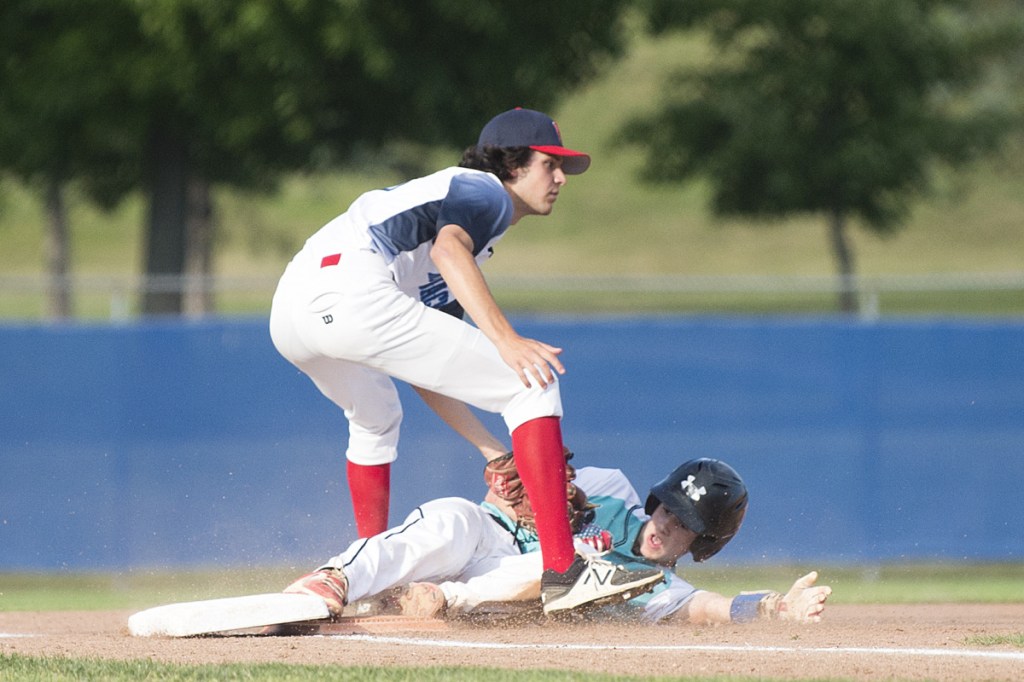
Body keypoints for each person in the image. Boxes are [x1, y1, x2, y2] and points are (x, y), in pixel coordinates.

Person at [269, 107, 662, 613]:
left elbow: (426, 364)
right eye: (550, 163)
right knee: (531, 382)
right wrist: (506, 340)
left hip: (292, 312)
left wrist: (494, 452)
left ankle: (371, 582)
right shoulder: (484, 191)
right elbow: (448, 251)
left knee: (376, 420)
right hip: (353, 289)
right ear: (513, 163)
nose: (561, 178)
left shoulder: (466, 222)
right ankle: (565, 572)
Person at [279, 458, 832, 625]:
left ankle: (429, 599)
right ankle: (338, 579)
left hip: (484, 599)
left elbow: (711, 607)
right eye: (667, 507)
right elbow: (512, 492)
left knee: (570, 560)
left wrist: (775, 607)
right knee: (453, 515)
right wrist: (514, 478)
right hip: (486, 547)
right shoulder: (608, 487)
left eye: (685, 523)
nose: (665, 523)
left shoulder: (656, 585)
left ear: (703, 543)